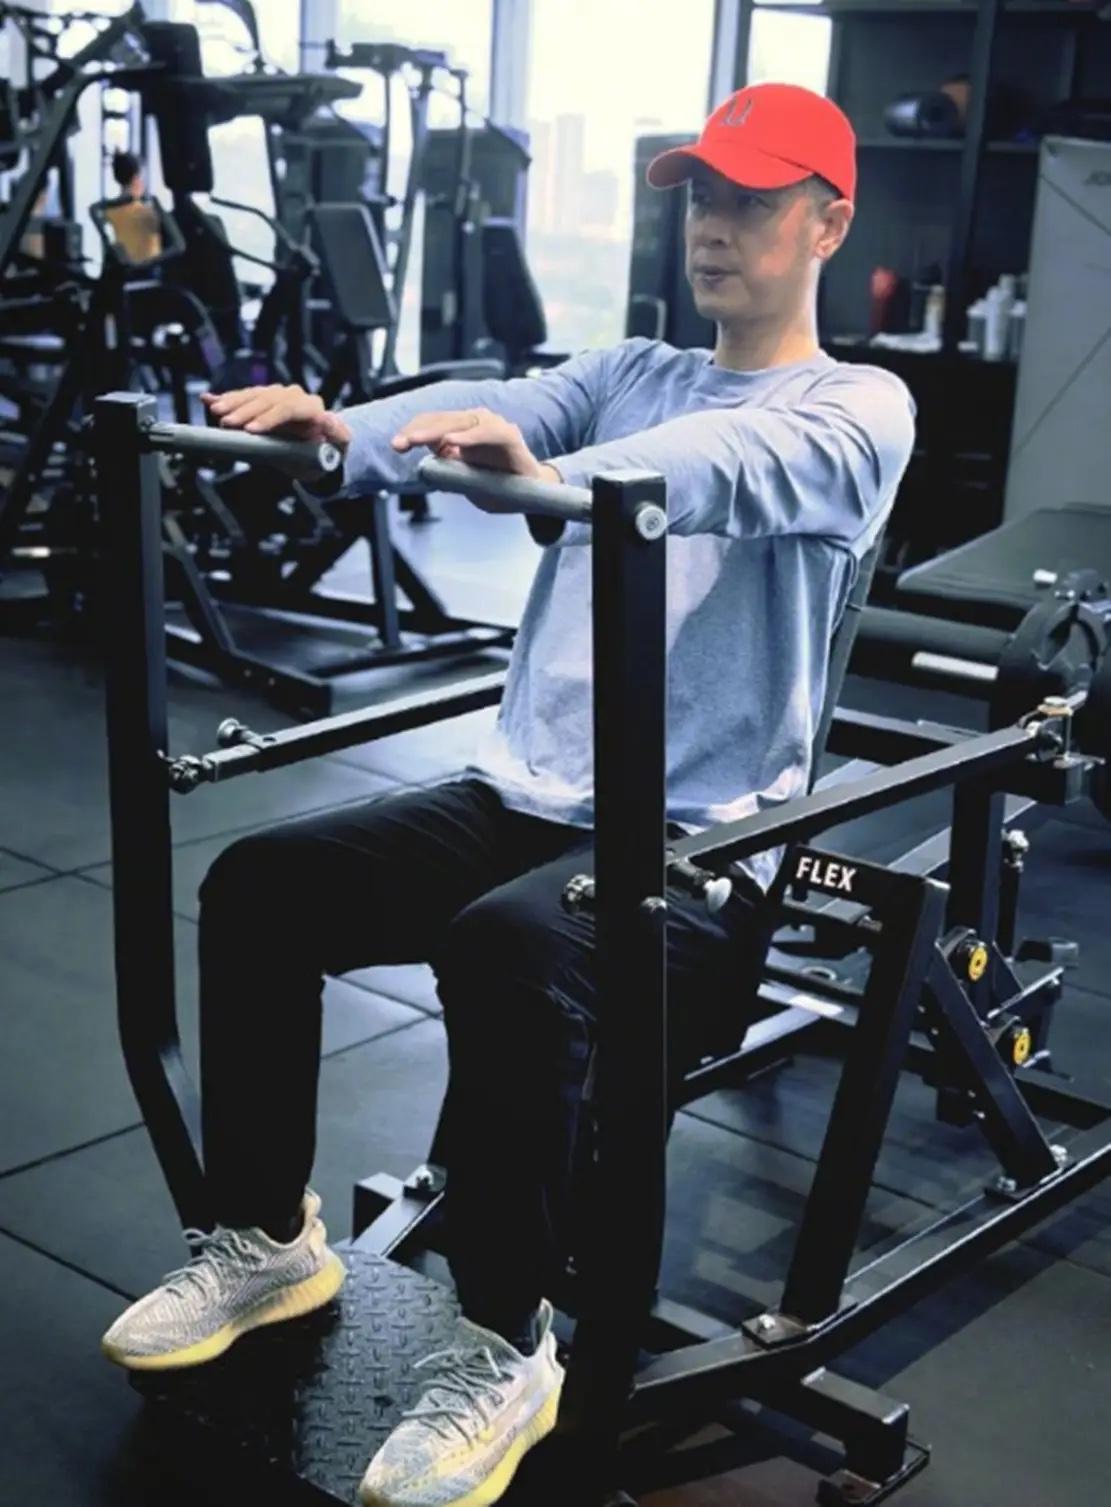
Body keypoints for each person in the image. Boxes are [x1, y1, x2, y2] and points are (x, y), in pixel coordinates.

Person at [100, 82, 916, 1507]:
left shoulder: (856, 408)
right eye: (701, 197)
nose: (714, 227)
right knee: (260, 887)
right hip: (530, 799)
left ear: (828, 224)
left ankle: (503, 1345)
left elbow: (723, 469)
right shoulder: (634, 368)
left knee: (510, 946)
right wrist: (346, 429)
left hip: (701, 852)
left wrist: (555, 479)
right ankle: (268, 1241)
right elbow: (501, 404)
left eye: (752, 201)